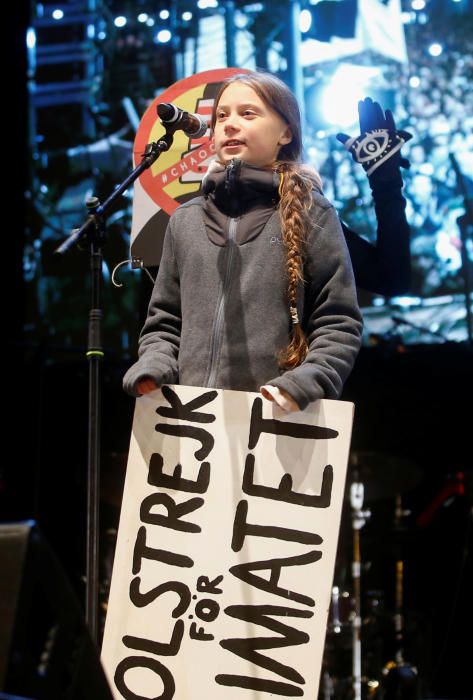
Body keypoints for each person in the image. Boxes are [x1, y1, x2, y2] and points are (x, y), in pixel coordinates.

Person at [123, 70, 363, 413]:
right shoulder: (185, 220)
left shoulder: (313, 211)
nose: (230, 124)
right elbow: (164, 320)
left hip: (275, 421)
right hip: (190, 424)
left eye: (248, 113)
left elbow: (338, 320)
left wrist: (306, 381)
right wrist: (155, 364)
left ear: (286, 132)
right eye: (222, 116)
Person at [337, 97, 413, 297]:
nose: (240, 124)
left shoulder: (302, 209)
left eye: (248, 113)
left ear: (285, 133)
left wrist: (386, 182)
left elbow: (392, 280)